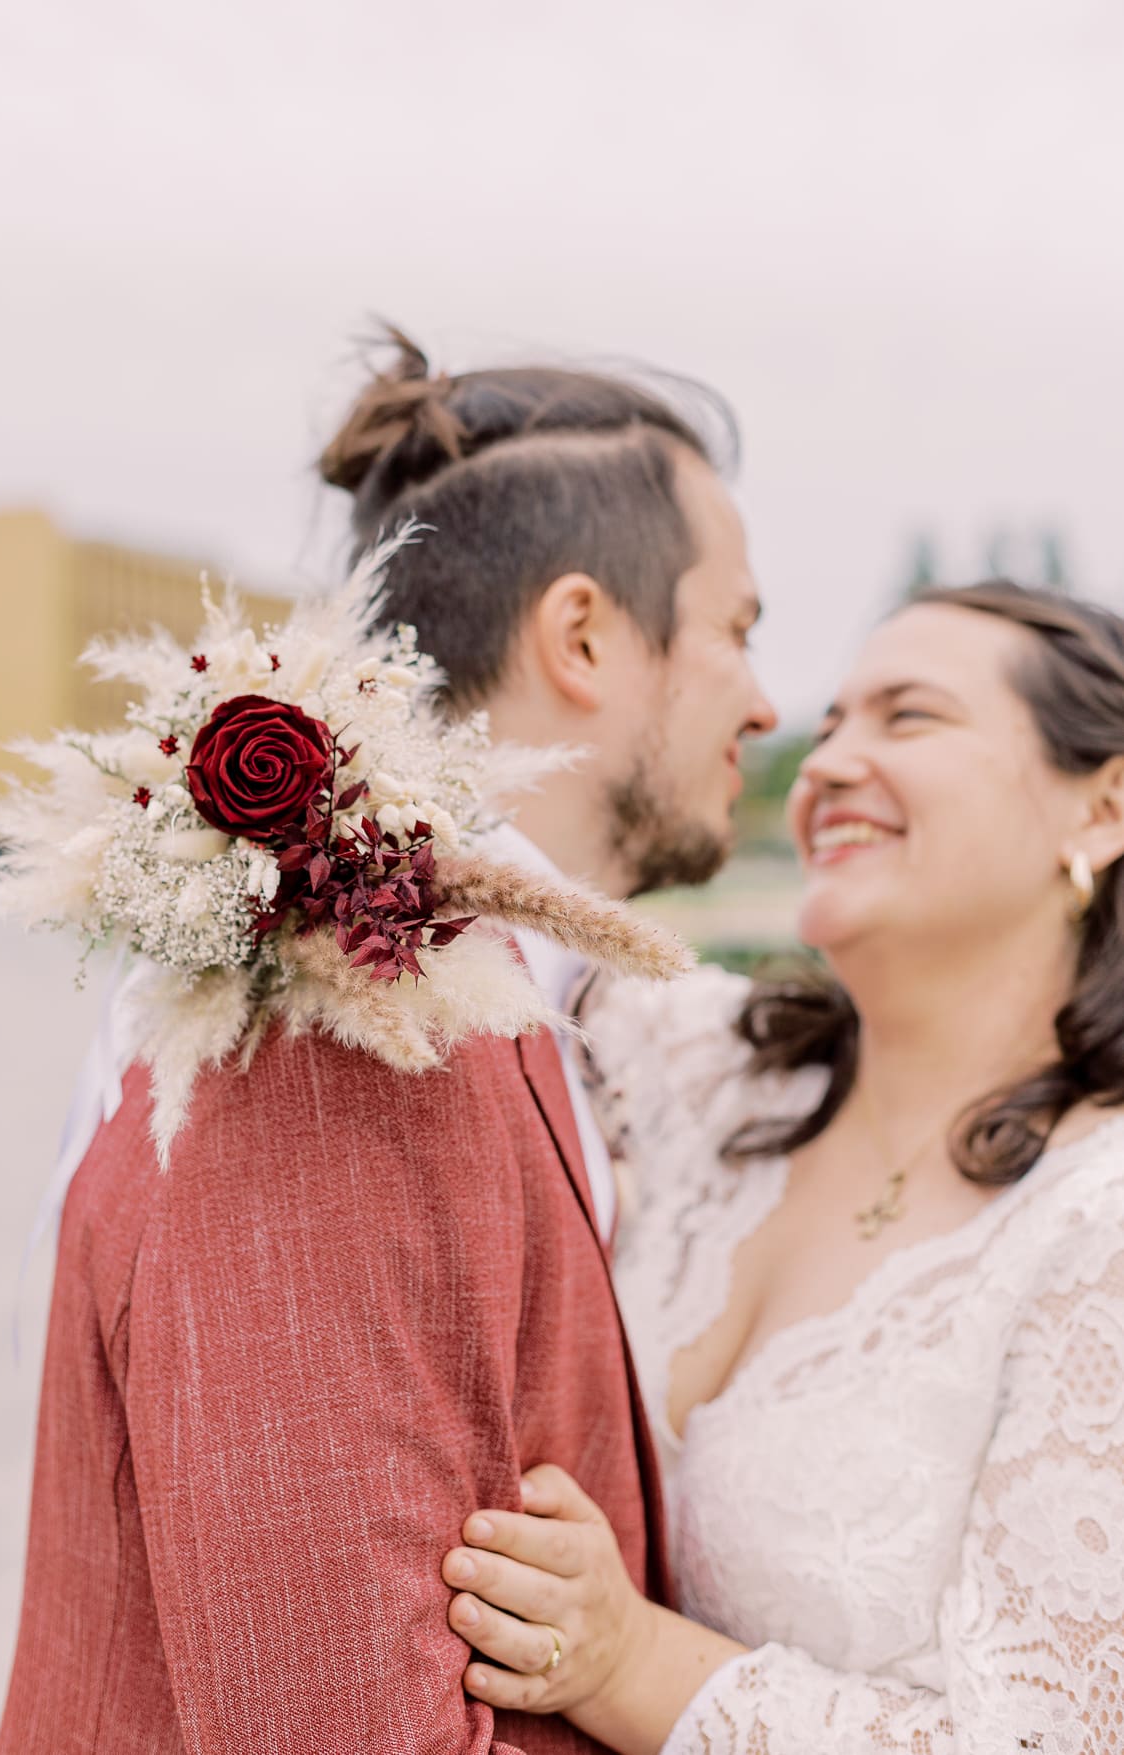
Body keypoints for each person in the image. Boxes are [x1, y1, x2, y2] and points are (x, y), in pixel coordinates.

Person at [0, 332, 776, 1754]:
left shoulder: (471, 993)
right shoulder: (349, 1021)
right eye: (736, 627)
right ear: (584, 636)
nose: (766, 700)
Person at [441, 581, 1124, 1753]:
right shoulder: (705, 1068)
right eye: (835, 721)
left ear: (1104, 808)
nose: (826, 764)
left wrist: (628, 1660)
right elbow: (454, 897)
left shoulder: (1097, 1226)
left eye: (908, 719)